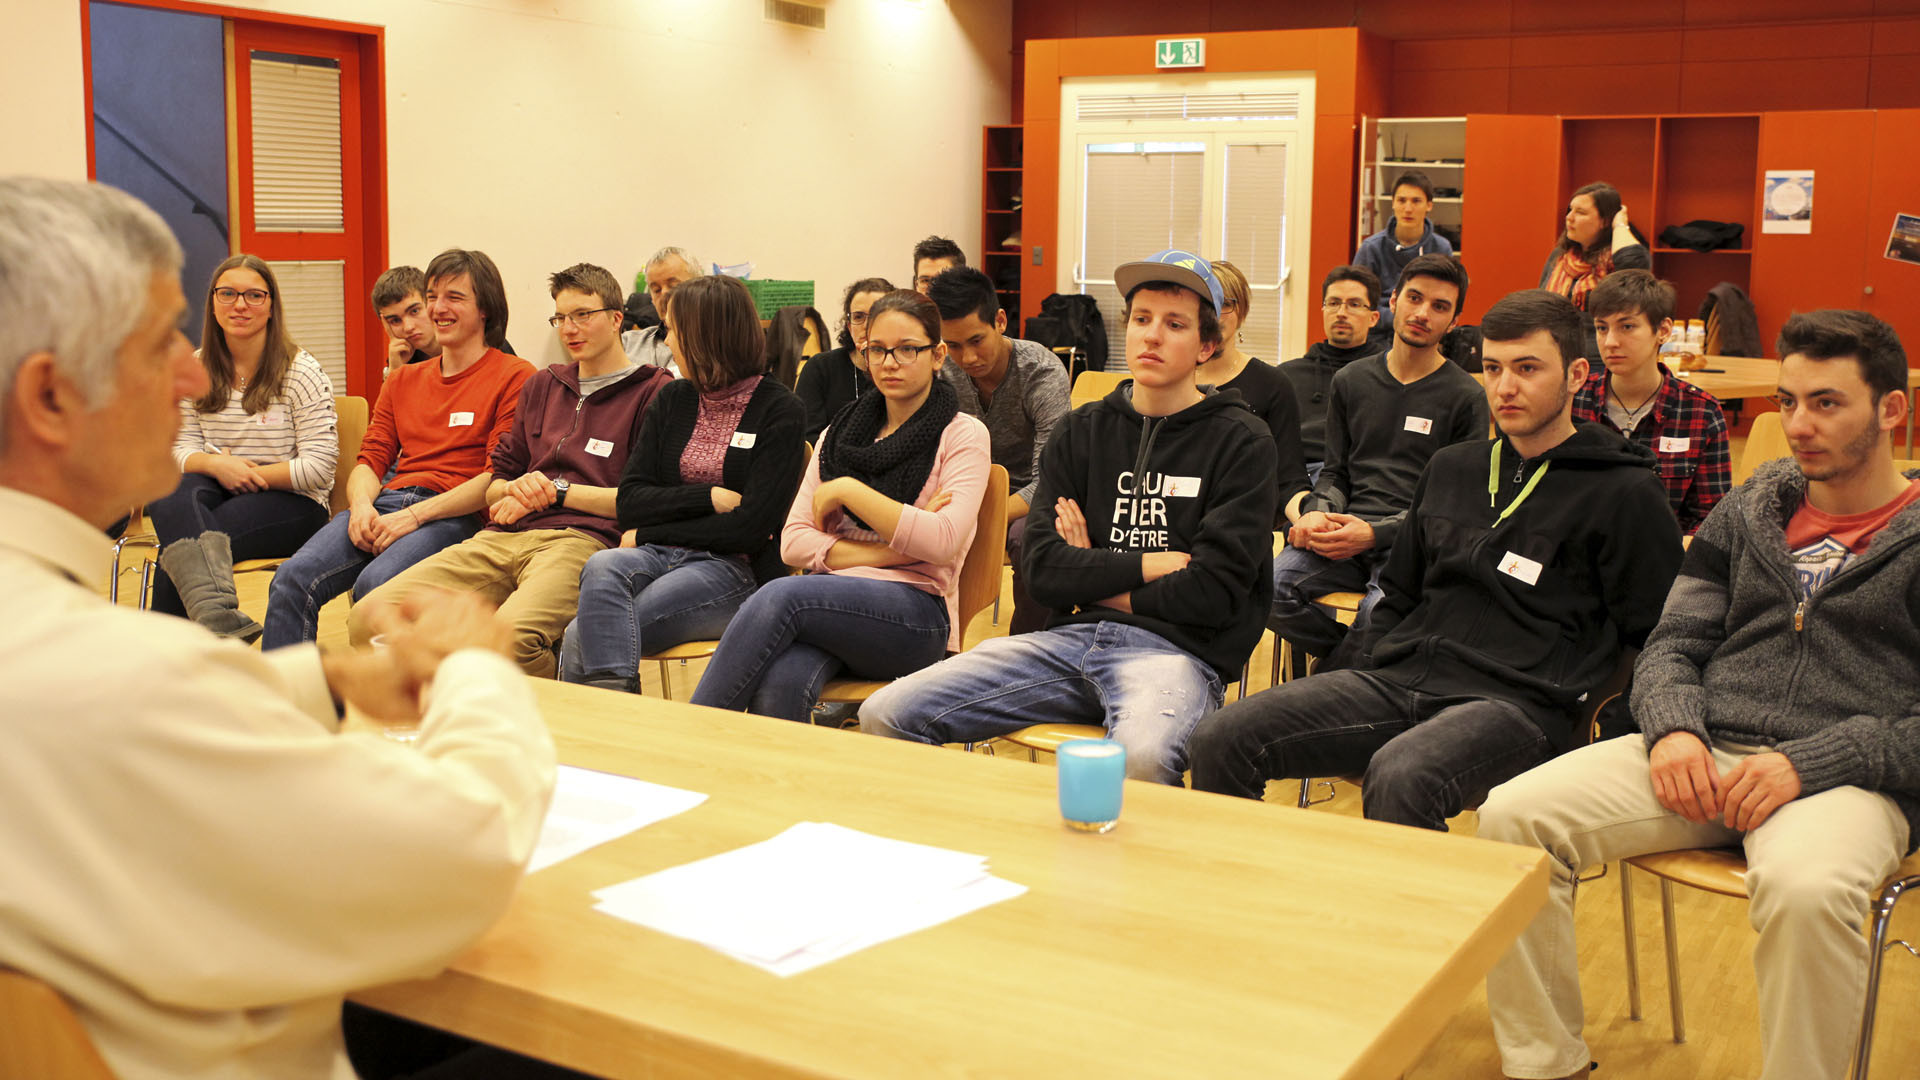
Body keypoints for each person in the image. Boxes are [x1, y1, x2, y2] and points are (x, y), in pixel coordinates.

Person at [0, 175, 556, 1080]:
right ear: (51, 397)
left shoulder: (62, 643)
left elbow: (150, 710)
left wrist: (326, 680)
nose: (192, 374)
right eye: (159, 346)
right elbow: (465, 852)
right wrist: (476, 672)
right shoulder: (123, 680)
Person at [1481, 309, 1920, 1080]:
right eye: (1787, 402)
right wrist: (1676, 727)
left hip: (1846, 777)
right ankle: (1547, 1064)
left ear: (1891, 409)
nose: (1798, 425)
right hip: (1705, 751)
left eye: (1826, 403)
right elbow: (1672, 642)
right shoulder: (1751, 509)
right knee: (1513, 818)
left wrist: (1809, 763)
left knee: (1807, 890)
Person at [1191, 289, 1683, 828]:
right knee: (1221, 737)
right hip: (1406, 679)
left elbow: (1654, 636)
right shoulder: (1453, 468)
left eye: (1527, 368)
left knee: (1402, 775)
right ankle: (1238, 898)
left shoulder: (1626, 492)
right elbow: (1400, 593)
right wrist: (1369, 667)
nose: (1505, 387)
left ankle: (1415, 914)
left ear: (1576, 374)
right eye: (1493, 368)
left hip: (1521, 706)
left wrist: (1602, 732)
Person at [861, 251, 1277, 785]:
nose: (1151, 336)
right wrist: (1147, 565)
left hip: (1175, 656)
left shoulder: (1241, 441)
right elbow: (1041, 571)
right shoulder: (1083, 431)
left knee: (1142, 762)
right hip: (1066, 640)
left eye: (1174, 325)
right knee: (886, 714)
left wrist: (1091, 572)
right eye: (1142, 319)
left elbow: (1214, 594)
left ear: (1206, 345)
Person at [347, 263, 672, 677]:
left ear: (616, 319)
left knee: (508, 641)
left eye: (583, 315)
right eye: (560, 318)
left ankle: (549, 719)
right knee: (373, 617)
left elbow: (644, 503)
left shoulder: (654, 391)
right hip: (503, 536)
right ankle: (447, 720)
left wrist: (554, 491)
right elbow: (496, 485)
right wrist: (517, 491)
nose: (569, 328)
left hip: (582, 542)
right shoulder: (543, 385)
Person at [689, 289, 990, 724]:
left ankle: (690, 737)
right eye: (878, 350)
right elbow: (793, 541)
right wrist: (895, 549)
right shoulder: (841, 433)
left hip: (916, 614)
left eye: (908, 349)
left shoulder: (963, 435)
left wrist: (848, 490)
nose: (890, 362)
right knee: (782, 683)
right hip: (830, 607)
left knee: (781, 595)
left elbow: (941, 543)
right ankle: (774, 790)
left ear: (938, 355)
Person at [263, 248, 533, 648]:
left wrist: (413, 518)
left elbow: (496, 478)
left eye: (454, 298)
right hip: (389, 504)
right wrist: (360, 508)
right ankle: (288, 703)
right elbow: (370, 459)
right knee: (290, 579)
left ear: (485, 310)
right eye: (433, 296)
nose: (438, 308)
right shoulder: (403, 380)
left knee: (376, 588)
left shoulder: (516, 374)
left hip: (455, 514)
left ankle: (382, 703)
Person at [560, 275, 806, 692]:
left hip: (733, 569)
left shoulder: (779, 410)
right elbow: (632, 500)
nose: (668, 342)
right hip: (658, 554)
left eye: (673, 330)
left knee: (579, 636)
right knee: (602, 563)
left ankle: (610, 731)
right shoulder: (674, 398)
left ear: (706, 335)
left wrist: (650, 529)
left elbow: (750, 529)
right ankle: (617, 722)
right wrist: (705, 497)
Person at [1270, 253, 1486, 669]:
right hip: (1342, 530)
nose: (1422, 313)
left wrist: (1375, 534)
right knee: (1270, 589)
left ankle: (1326, 681)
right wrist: (1318, 513)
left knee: (1376, 615)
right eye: (1415, 298)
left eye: (1439, 307)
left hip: (1411, 543)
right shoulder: (1352, 381)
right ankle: (1353, 670)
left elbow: (1454, 509)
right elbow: (1335, 472)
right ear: (1393, 302)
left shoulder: (1466, 397)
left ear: (1454, 321)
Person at [147, 254, 337, 640]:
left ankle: (168, 659)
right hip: (219, 487)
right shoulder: (195, 369)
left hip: (296, 503)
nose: (240, 305)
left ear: (271, 306)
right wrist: (220, 468)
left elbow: (320, 467)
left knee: (183, 549)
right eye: (228, 293)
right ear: (213, 303)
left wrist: (247, 474)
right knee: (169, 492)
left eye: (254, 295)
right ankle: (214, 622)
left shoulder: (301, 372)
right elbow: (176, 449)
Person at [928, 265, 1071, 635]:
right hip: (963, 493)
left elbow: (1050, 479)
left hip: (1028, 499)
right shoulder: (942, 372)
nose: (968, 357)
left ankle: (1029, 647)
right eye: (954, 346)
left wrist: (981, 515)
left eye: (977, 340)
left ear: (1001, 321)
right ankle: (930, 644)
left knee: (1031, 537)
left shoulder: (1041, 373)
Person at [1573, 268, 1731, 534]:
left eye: (1627, 327)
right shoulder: (1572, 401)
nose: (1610, 341)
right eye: (1602, 328)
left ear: (1663, 330)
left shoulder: (1701, 412)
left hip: (1666, 561)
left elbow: (1712, 519)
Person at [1200, 259, 1310, 525]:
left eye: (1225, 304)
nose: (1215, 314)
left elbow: (1289, 478)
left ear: (1242, 312)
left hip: (1244, 522)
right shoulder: (1170, 381)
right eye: (1206, 304)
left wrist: (1308, 519)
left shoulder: (1273, 384)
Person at [1280, 265, 1384, 478]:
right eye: (1334, 303)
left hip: (1355, 476)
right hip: (1291, 475)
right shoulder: (1287, 375)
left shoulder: (1386, 376)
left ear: (1373, 318)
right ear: (1323, 311)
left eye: (1354, 304)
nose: (1341, 313)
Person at [1353, 169, 1455, 345]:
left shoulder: (1441, 248)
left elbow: (1447, 301)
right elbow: (1358, 302)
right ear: (1392, 203)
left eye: (1416, 201)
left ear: (1429, 205)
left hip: (1426, 332)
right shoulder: (1371, 248)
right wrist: (1399, 318)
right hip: (1376, 336)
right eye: (1401, 200)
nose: (1408, 208)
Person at [796, 276, 892, 442]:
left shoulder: (901, 369)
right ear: (849, 325)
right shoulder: (820, 368)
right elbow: (808, 438)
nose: (866, 325)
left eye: (877, 315)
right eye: (858, 317)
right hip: (831, 465)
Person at [621, 245, 703, 377]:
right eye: (656, 290)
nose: (665, 293)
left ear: (700, 286)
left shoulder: (716, 345)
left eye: (673, 286)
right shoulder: (627, 344)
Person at [373, 264, 440, 380]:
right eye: (395, 320)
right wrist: (394, 370)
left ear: (431, 302)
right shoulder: (403, 355)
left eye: (414, 311)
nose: (408, 327)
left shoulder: (463, 347)